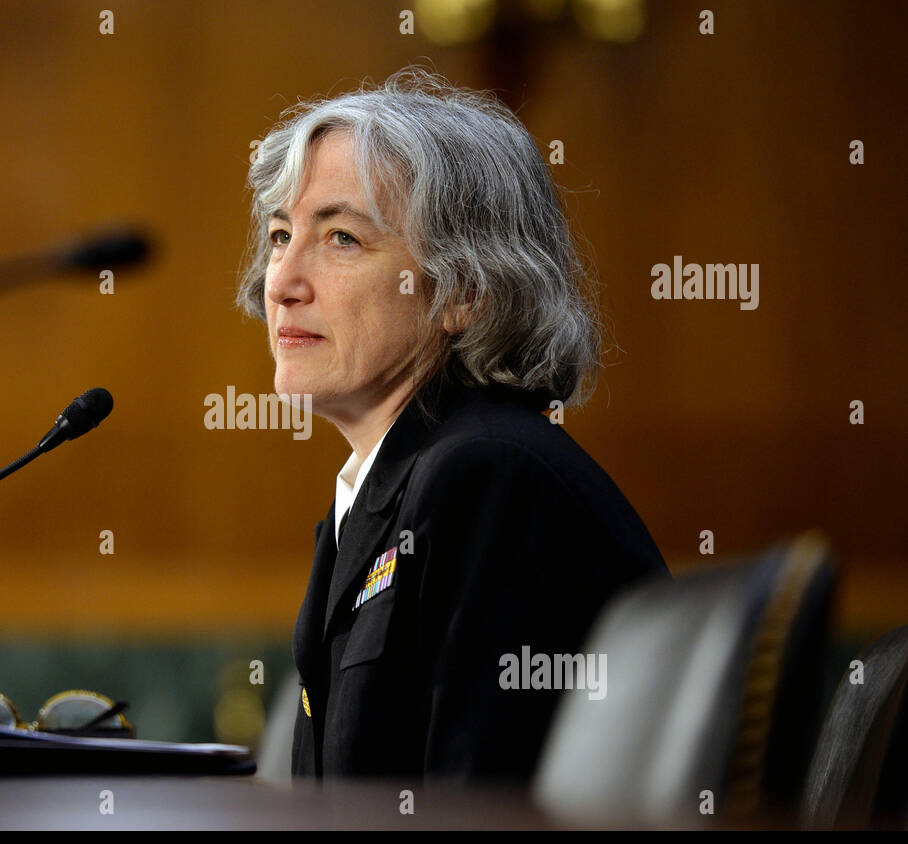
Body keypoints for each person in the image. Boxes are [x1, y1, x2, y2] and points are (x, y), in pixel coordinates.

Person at [236, 67, 669, 783]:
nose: (280, 280)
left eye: (341, 238)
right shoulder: (385, 491)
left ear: (464, 291)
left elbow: (478, 813)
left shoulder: (493, 479)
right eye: (282, 235)